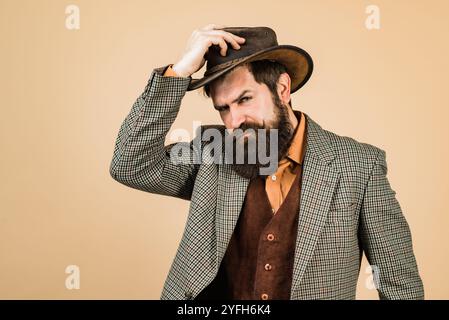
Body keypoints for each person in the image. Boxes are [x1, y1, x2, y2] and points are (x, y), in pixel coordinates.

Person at [109, 24, 424, 300]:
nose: (235, 121)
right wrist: (177, 74)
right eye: (223, 108)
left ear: (283, 88)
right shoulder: (213, 151)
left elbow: (399, 284)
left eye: (245, 99)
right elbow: (129, 164)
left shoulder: (359, 166)